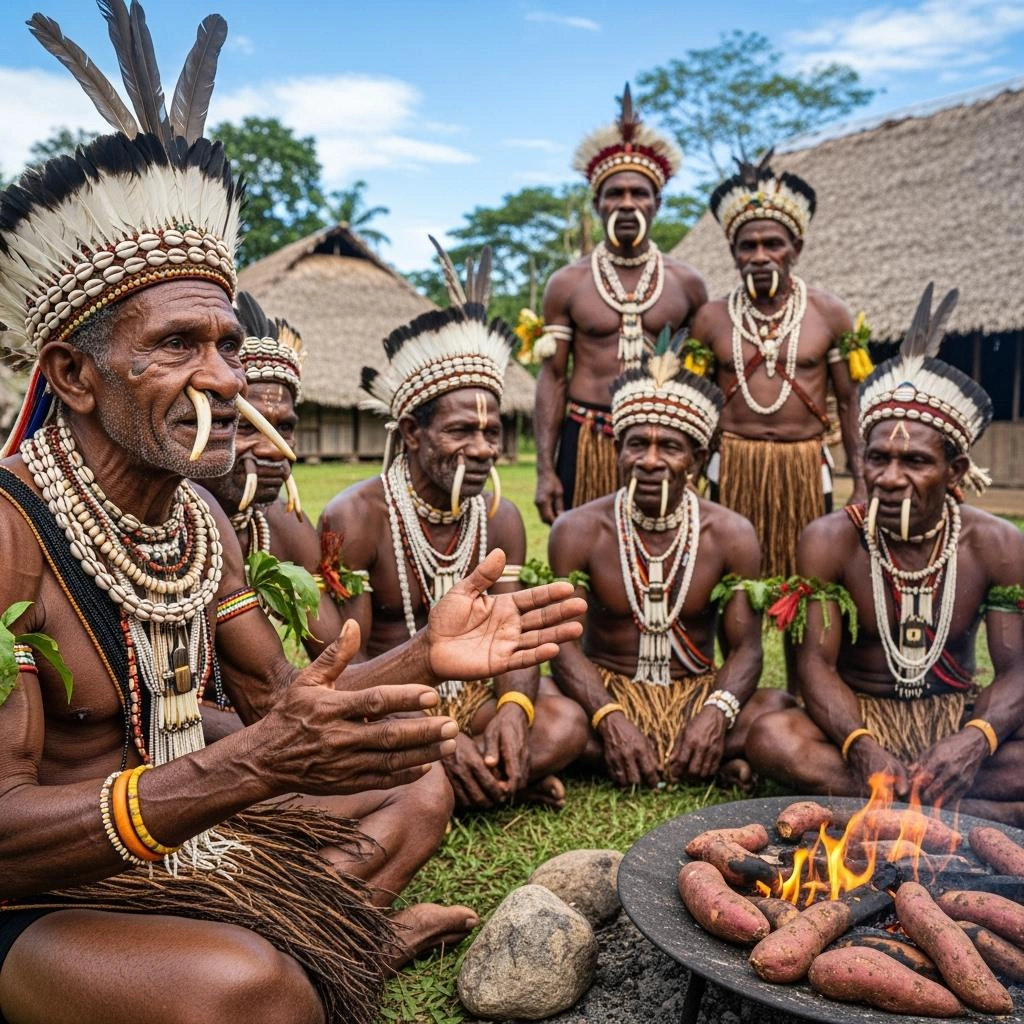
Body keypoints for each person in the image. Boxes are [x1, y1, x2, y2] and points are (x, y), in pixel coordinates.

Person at [0, 8, 585, 1024]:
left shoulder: (198, 523)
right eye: (178, 344)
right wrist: (249, 767)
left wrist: (426, 658)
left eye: (227, 344)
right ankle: (325, 951)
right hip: (40, 891)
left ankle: (319, 942)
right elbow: (6, 835)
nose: (225, 379)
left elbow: (283, 703)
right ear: (73, 376)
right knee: (251, 993)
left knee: (420, 792)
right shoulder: (10, 533)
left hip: (189, 830)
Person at [319, 241, 590, 812]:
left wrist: (514, 712)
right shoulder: (357, 517)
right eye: (462, 431)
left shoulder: (500, 518)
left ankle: (479, 776)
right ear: (412, 433)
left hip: (472, 699)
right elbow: (349, 668)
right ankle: (486, 780)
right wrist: (432, 733)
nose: (484, 448)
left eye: (492, 433)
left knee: (563, 722)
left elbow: (515, 638)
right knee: (370, 748)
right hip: (390, 710)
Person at [746, 285, 1024, 825]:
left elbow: (1016, 671)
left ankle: (887, 804)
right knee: (772, 737)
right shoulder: (829, 539)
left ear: (955, 471)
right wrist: (861, 746)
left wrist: (974, 741)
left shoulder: (996, 543)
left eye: (915, 461)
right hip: (860, 726)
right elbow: (815, 666)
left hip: (955, 721)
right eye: (878, 458)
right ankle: (962, 809)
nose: (891, 478)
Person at [548, 342, 789, 789]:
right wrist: (610, 719)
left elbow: (747, 649)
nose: (650, 461)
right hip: (607, 696)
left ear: (697, 459)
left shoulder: (731, 534)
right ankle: (679, 756)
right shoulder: (577, 530)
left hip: (695, 695)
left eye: (670, 447)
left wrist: (714, 716)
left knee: (778, 711)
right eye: (638, 444)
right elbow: (563, 647)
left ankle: (678, 749)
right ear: (618, 450)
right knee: (551, 710)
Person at [534, 85, 707, 524]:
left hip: (661, 443)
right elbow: (552, 378)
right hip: (588, 437)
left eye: (639, 193)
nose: (627, 204)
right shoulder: (567, 283)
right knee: (582, 549)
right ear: (598, 203)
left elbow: (705, 374)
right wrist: (545, 470)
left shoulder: (687, 284)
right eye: (615, 193)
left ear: (657, 204)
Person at [690, 150, 865, 578]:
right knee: (730, 582)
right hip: (731, 465)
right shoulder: (710, 319)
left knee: (806, 580)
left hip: (805, 467)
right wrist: (689, 476)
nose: (760, 255)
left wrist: (862, 481)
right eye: (747, 246)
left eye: (773, 244)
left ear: (796, 249)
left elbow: (850, 401)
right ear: (733, 253)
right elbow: (692, 405)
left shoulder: (830, 314)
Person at [204, 291, 339, 661]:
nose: (275, 449)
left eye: (285, 428)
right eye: (248, 426)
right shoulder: (153, 527)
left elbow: (337, 662)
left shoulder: (286, 527)